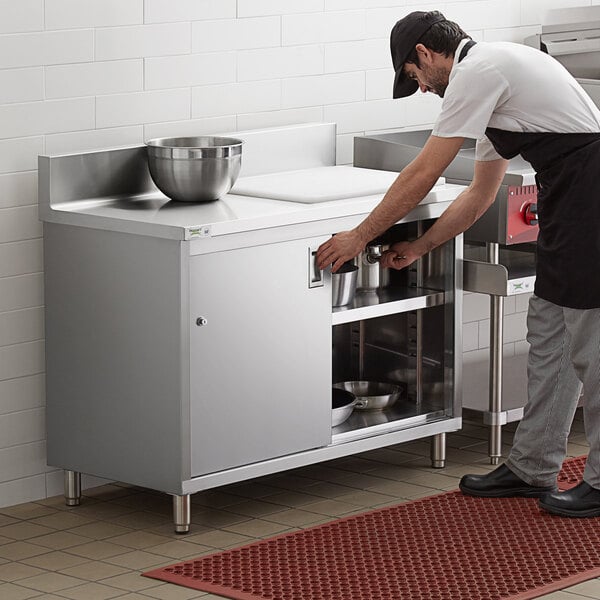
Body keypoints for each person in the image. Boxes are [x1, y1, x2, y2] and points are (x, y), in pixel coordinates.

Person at [316, 10, 600, 517]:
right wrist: (422, 246)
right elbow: (479, 194)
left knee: (593, 344)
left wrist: (361, 235)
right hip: (570, 200)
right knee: (550, 332)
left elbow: (425, 169)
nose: (422, 88)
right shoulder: (493, 91)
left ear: (424, 55)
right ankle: (532, 467)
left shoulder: (479, 71)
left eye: (414, 77)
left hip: (593, 200)